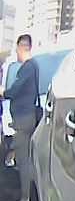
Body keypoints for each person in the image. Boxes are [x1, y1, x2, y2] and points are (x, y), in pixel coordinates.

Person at [4, 35, 40, 189]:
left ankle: (26, 196)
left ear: (22, 47)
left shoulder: (28, 67)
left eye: (17, 49)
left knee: (23, 159)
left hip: (23, 119)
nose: (16, 53)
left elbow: (15, 90)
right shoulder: (33, 66)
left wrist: (4, 92)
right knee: (26, 157)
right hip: (26, 117)